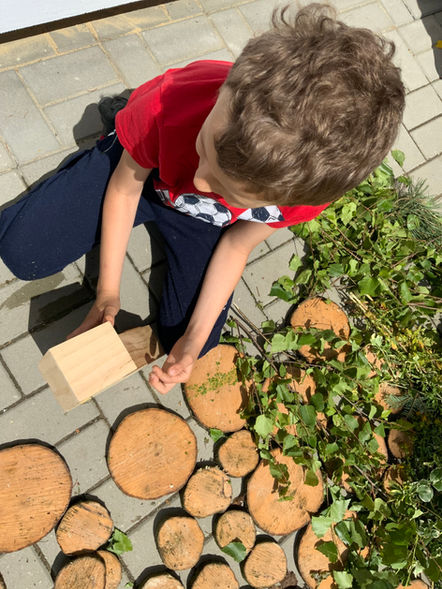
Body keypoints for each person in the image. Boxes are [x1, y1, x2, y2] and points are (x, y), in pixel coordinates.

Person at [0, 3, 405, 395]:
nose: (197, 180)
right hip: (144, 174)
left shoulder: (301, 193)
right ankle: (117, 132)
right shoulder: (171, 101)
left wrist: (192, 342)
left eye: (227, 189)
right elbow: (124, 188)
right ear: (227, 90)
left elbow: (237, 244)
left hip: (205, 223)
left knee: (192, 342)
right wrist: (108, 290)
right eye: (205, 149)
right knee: (23, 252)